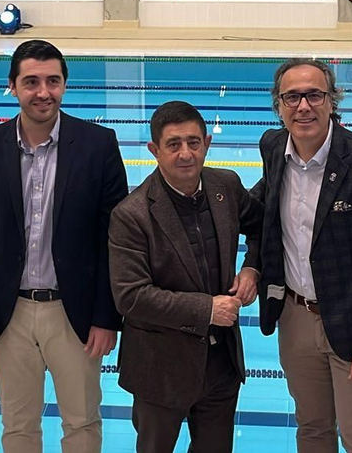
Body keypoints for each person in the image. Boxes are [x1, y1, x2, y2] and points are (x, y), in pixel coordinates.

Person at [0, 40, 128, 453]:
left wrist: (107, 317)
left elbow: (116, 240)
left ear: (65, 85)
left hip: (75, 315)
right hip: (10, 313)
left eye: (53, 81)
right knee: (18, 425)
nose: (43, 92)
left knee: (82, 422)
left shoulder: (98, 144)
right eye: (31, 82)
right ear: (13, 87)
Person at [245, 57, 352, 453]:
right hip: (295, 318)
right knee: (312, 430)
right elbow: (263, 216)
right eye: (292, 97)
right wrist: (252, 264)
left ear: (332, 101)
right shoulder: (272, 147)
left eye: (314, 95)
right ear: (278, 105)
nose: (304, 106)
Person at [109, 100, 264, 453]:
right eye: (174, 144)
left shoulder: (225, 186)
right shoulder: (131, 215)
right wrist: (206, 309)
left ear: (207, 143)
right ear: (154, 150)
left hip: (220, 364)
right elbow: (131, 296)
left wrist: (253, 267)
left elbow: (263, 227)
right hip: (160, 367)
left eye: (194, 143)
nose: (185, 154)